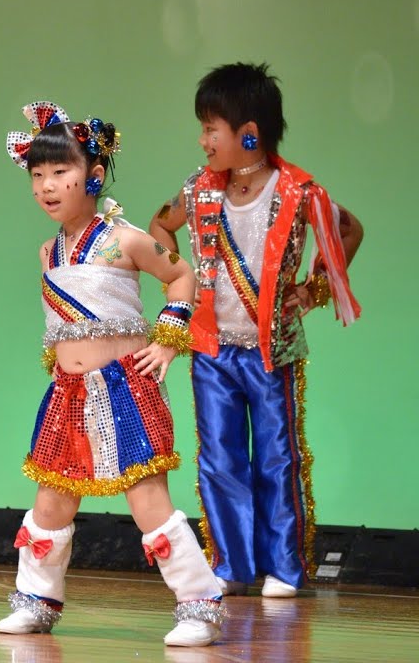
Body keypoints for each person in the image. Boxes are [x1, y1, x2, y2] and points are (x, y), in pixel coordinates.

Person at [0, 101, 222, 646]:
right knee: (52, 500)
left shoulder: (126, 239)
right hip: (69, 394)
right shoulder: (49, 250)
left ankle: (199, 603)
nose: (48, 186)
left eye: (61, 173)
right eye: (38, 175)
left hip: (125, 386)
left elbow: (182, 277)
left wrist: (169, 342)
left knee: (148, 501)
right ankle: (36, 599)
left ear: (93, 176)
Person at [147, 63, 363, 598]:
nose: (202, 141)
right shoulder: (197, 190)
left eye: (210, 129)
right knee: (220, 459)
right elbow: (159, 226)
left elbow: (349, 229)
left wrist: (312, 292)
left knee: (275, 456)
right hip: (213, 348)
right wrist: (180, 277)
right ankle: (233, 565)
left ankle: (284, 568)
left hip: (272, 350)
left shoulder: (297, 190)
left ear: (249, 133)